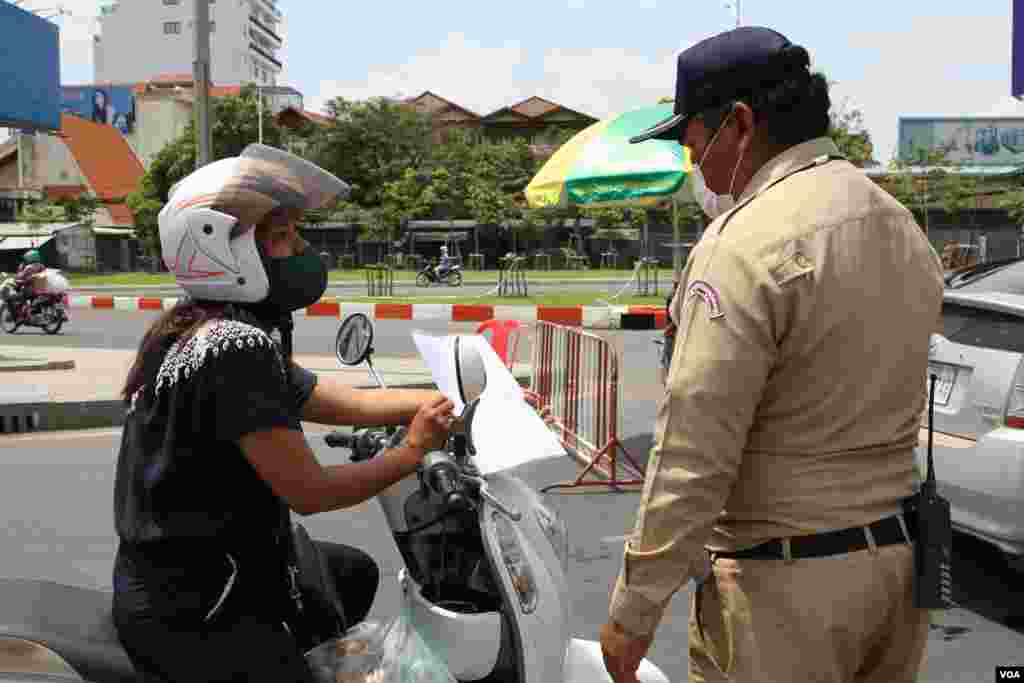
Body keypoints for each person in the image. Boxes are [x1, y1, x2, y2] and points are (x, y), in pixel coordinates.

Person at [600, 26, 943, 683]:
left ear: (738, 124)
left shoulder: (743, 244)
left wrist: (634, 608)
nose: (693, 163)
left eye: (690, 141)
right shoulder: (899, 223)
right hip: (897, 575)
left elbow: (693, 450)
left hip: (783, 591)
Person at [111, 144, 457, 683]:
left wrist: (453, 402)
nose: (301, 249)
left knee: (352, 573)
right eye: (282, 235)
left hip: (185, 576)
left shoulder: (202, 327)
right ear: (221, 249)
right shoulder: (232, 348)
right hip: (197, 607)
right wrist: (412, 451)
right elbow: (311, 493)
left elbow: (343, 401)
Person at [12, 249, 47, 316]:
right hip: (40, 288)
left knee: (19, 295)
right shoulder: (42, 266)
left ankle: (22, 311)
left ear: (30, 258)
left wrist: (17, 278)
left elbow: (21, 276)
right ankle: (33, 311)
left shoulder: (29, 267)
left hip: (31, 289)